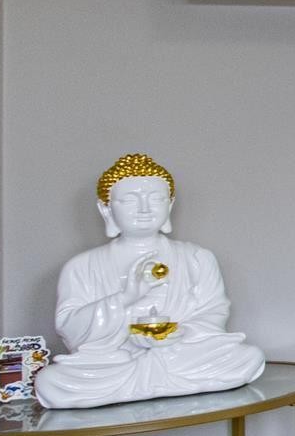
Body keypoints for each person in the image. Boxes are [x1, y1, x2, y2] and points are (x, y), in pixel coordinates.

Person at [32, 153, 267, 409]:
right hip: (115, 362)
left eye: (156, 199)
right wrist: (125, 298)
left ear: (170, 205)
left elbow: (213, 313)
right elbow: (70, 328)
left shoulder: (197, 257)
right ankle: (154, 381)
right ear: (106, 208)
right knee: (50, 381)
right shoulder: (82, 266)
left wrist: (178, 334)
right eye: (130, 200)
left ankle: (148, 381)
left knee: (247, 357)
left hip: (179, 354)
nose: (144, 209)